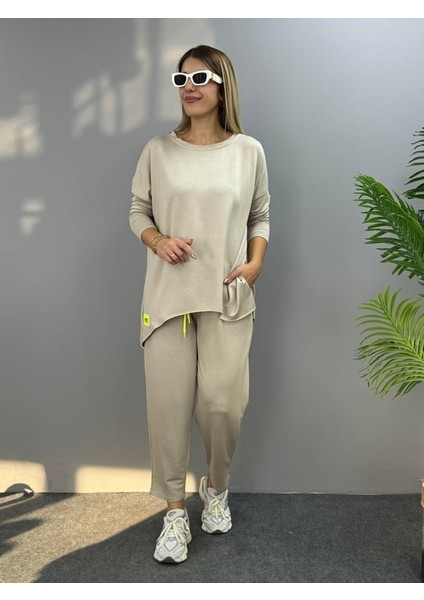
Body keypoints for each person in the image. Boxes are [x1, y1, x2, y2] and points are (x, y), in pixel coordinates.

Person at [129, 44, 270, 563]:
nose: (188, 87)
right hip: (168, 298)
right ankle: (173, 513)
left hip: (228, 295)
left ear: (222, 85)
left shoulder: (248, 151)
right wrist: (157, 240)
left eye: (200, 78)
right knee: (167, 409)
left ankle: (216, 487)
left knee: (221, 404)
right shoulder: (157, 151)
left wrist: (255, 264)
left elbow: (260, 214)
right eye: (181, 79)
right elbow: (138, 210)